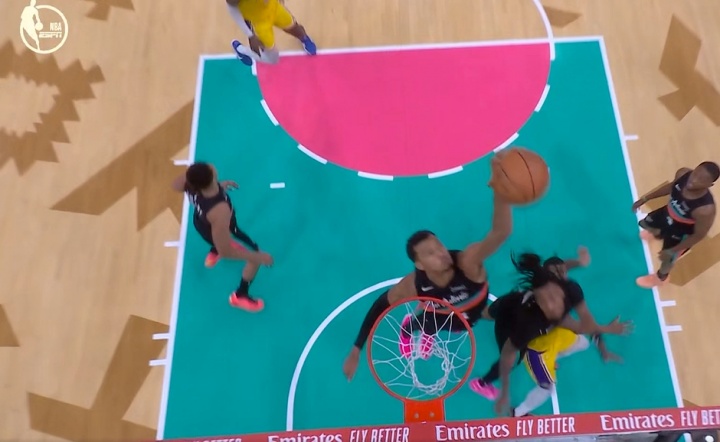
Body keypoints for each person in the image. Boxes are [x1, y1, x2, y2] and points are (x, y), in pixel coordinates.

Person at [342, 154, 515, 381]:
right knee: (425, 324)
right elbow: (380, 306)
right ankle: (408, 329)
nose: (442, 253)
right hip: (440, 315)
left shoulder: (468, 262)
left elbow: (501, 232)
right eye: (431, 253)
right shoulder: (414, 285)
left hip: (467, 314)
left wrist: (501, 190)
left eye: (439, 246)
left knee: (483, 317)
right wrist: (357, 348)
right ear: (420, 264)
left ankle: (432, 329)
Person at [469, 248, 631, 400]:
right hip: (510, 320)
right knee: (511, 359)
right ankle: (481, 383)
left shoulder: (569, 288)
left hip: (512, 303)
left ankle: (469, 319)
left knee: (487, 313)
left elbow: (586, 323)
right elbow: (583, 327)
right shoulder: (534, 322)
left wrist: (579, 262)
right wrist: (608, 329)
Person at [172, 162, 273, 312]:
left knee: (216, 238)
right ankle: (240, 295)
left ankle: (214, 249)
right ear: (212, 174)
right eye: (209, 167)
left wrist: (218, 187)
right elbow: (226, 251)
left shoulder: (190, 185)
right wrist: (258, 257)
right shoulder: (220, 211)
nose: (211, 165)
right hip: (218, 228)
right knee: (254, 256)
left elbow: (176, 185)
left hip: (202, 223)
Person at [633, 161, 718, 288]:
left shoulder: (705, 210)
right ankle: (657, 234)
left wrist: (673, 250)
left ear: (709, 185)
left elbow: (698, 236)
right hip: (667, 213)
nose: (694, 180)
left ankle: (660, 278)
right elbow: (671, 187)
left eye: (701, 180)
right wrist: (645, 198)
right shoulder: (683, 174)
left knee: (667, 259)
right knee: (645, 223)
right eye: (695, 173)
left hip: (682, 232)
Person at [511, 326, 622, 418]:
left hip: (560, 338)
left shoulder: (563, 316)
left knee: (584, 343)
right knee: (547, 387)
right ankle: (518, 413)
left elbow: (590, 328)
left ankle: (553, 358)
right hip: (538, 354)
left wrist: (604, 351)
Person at [225, 0, 317, 67]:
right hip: (259, 22)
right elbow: (232, 10)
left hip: (274, 8)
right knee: (272, 59)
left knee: (295, 28)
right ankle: (240, 49)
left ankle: (304, 38)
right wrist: (250, 35)